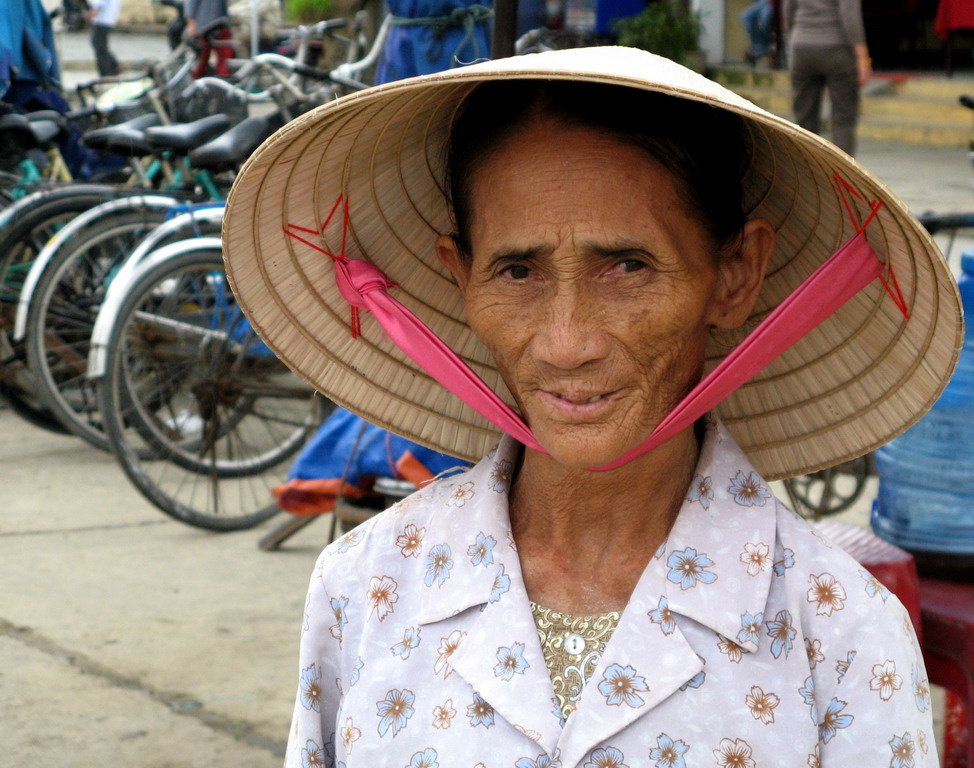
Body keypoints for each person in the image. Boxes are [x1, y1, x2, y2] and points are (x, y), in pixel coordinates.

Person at [222, 47, 957, 766]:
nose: (566, 344)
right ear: (460, 277)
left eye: (628, 266)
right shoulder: (368, 583)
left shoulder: (839, 631)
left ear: (735, 275)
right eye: (516, 270)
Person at [783, 0, 871, 156]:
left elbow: (788, 11)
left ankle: (806, 172)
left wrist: (795, 39)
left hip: (802, 48)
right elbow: (849, 16)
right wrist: (862, 57)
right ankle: (841, 176)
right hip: (837, 49)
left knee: (804, 121)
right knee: (843, 120)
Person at [183, 0, 231, 78]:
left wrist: (191, 24)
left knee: (206, 61)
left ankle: (222, 81)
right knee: (205, 61)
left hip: (209, 26)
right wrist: (191, 24)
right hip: (208, 26)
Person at [85, 0, 120, 77]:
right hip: (108, 19)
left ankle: (106, 71)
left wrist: (91, 14)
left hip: (102, 20)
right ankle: (114, 65)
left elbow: (99, 4)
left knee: (99, 46)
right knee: (100, 45)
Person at [740, 0, 773, 66]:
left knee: (765, 19)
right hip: (760, 2)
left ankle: (760, 49)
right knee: (745, 17)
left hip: (771, 2)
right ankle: (761, 48)